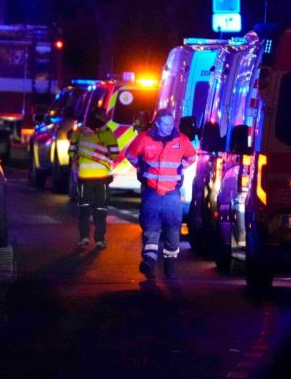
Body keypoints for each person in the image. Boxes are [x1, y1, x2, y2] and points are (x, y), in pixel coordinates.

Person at [126, 109, 196, 280]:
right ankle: (149, 262)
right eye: (165, 123)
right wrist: (143, 168)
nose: (169, 126)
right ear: (157, 123)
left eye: (171, 123)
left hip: (172, 193)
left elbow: (192, 157)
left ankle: (170, 266)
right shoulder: (144, 138)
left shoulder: (181, 139)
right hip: (152, 193)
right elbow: (131, 155)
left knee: (173, 230)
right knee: (151, 228)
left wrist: (179, 169)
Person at [68, 107, 120, 248]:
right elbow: (115, 153)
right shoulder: (106, 132)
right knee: (100, 209)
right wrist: (103, 154)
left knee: (84, 207)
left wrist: (77, 165)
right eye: (104, 116)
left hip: (84, 176)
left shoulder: (79, 132)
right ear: (101, 117)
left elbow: (71, 152)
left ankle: (83, 237)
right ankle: (99, 240)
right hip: (101, 177)